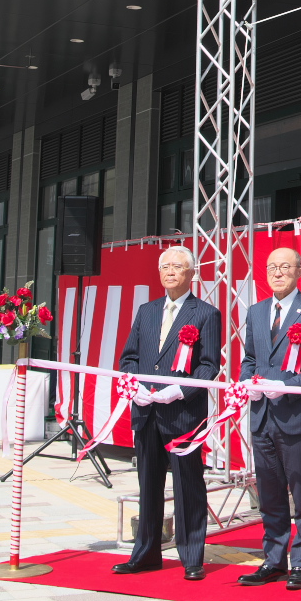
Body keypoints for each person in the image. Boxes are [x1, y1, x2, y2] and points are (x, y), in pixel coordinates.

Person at [114, 246, 221, 581]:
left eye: (177, 266)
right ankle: (146, 553)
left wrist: (179, 390)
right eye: (165, 266)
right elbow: (129, 358)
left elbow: (209, 366)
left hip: (183, 415)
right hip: (147, 412)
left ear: (191, 274)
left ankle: (191, 556)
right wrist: (135, 386)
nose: (170, 271)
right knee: (148, 484)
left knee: (188, 485)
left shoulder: (206, 313)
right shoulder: (146, 311)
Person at [235, 247, 301, 591]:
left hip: (295, 416)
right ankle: (274, 559)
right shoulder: (257, 311)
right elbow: (249, 357)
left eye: (285, 267)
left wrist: (286, 386)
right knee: (270, 494)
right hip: (261, 416)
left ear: (299, 271)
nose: (277, 273)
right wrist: (248, 382)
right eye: (272, 267)